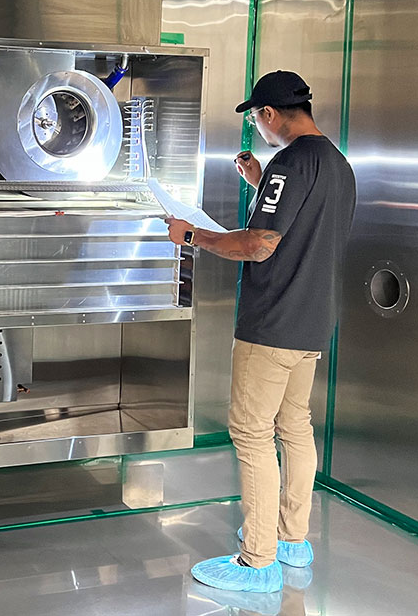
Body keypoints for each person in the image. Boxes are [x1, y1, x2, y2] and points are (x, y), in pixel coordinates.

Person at [163, 71, 356, 593]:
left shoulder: (290, 162)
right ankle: (293, 541)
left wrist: (192, 235)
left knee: (251, 432)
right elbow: (304, 226)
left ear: (268, 114)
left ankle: (257, 560)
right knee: (294, 428)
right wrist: (259, 182)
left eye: (255, 118)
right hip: (313, 322)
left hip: (272, 322)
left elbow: (259, 245)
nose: (258, 128)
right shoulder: (336, 165)